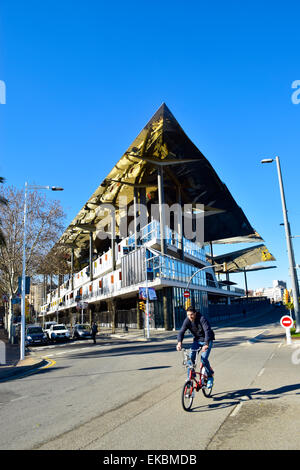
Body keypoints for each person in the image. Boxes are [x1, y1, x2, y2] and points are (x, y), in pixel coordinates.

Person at [176, 306, 215, 388]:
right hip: (197, 340)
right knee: (190, 357)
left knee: (203, 359)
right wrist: (179, 343)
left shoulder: (202, 319)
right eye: (188, 315)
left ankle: (210, 376)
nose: (190, 317)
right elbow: (181, 332)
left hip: (207, 340)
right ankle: (190, 377)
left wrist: (206, 344)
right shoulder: (187, 320)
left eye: (191, 314)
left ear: (195, 313)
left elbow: (207, 331)